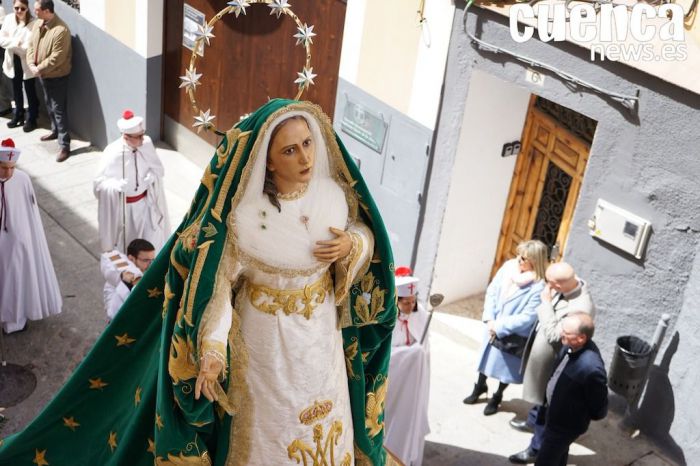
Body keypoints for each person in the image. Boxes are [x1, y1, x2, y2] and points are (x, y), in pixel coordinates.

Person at [0, 99, 397, 465]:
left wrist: (352, 244)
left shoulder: (334, 196)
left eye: (308, 144)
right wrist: (211, 350)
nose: (306, 157)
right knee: (274, 423)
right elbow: (219, 287)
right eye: (290, 150)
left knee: (325, 410)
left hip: (321, 335)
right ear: (269, 162)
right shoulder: (243, 219)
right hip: (266, 344)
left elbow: (364, 233)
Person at [509, 262, 594, 464]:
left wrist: (546, 303)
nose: (546, 286)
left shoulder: (581, 307)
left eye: (550, 283)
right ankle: (532, 420)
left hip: (554, 366)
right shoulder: (568, 286)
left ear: (558, 285)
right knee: (539, 400)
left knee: (547, 407)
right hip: (544, 359)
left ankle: (536, 448)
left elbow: (557, 336)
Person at [463, 240, 548, 415]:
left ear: (535, 261)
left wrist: (499, 326)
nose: (519, 259)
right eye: (518, 254)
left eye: (524, 258)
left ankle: (497, 396)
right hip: (492, 325)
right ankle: (480, 386)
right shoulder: (509, 267)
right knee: (485, 360)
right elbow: (493, 290)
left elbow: (528, 317)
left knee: (505, 369)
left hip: (512, 333)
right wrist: (489, 318)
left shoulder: (539, 286)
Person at [528, 312, 608, 466]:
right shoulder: (570, 346)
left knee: (545, 461)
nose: (561, 334)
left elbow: (599, 408)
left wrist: (575, 414)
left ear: (581, 338)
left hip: (565, 426)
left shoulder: (591, 369)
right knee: (559, 456)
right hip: (554, 416)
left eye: (566, 332)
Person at [0, 138, 62, 333]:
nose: (8, 173)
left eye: (12, 168)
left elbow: (30, 213)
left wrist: (26, 238)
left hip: (18, 240)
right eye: (3, 168)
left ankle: (15, 320)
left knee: (16, 278)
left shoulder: (22, 179)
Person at [93, 110, 170, 253]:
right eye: (138, 137)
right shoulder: (112, 152)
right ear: (126, 137)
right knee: (129, 246)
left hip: (147, 206)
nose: (143, 139)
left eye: (143, 134)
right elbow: (98, 184)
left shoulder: (146, 144)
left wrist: (152, 176)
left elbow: (159, 169)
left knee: (151, 242)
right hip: (125, 211)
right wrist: (114, 186)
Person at [385, 267, 431, 466]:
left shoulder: (421, 315)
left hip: (413, 383)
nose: (410, 305)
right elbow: (384, 354)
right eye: (405, 302)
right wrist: (410, 355)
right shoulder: (386, 317)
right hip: (392, 381)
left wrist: (418, 355)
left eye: (413, 301)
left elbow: (425, 350)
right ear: (396, 301)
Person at [26, 0, 72, 162]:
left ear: (46, 11)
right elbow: (31, 44)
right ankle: (55, 131)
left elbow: (57, 57)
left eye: (37, 9)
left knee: (59, 110)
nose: (34, 11)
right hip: (43, 74)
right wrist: (31, 62)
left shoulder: (61, 30)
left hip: (57, 76)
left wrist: (39, 69)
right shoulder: (39, 22)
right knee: (49, 105)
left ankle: (65, 145)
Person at [0, 0, 39, 132]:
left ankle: (32, 118)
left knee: (30, 90)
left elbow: (30, 46)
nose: (19, 11)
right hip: (12, 60)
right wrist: (16, 42)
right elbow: (1, 39)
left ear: (27, 8)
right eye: (16, 8)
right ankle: (18, 114)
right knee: (16, 89)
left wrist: (12, 43)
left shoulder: (33, 23)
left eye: (22, 8)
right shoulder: (9, 19)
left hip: (26, 61)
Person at [100, 238, 155, 321]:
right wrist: (128, 283)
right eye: (146, 260)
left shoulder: (148, 274)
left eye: (152, 260)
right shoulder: (113, 284)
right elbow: (113, 315)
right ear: (131, 259)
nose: (150, 264)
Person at [0, 5, 15, 117]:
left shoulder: (1, 10)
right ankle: (4, 106)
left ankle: (6, 106)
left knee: (5, 78)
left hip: (2, 50)